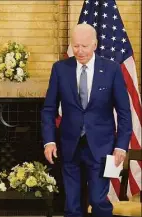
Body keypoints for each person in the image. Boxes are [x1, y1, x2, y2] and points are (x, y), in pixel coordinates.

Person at [41, 24, 132, 217]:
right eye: (75, 46)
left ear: (95, 45)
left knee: (98, 201)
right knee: (72, 205)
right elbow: (49, 109)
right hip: (69, 146)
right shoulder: (60, 69)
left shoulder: (111, 69)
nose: (79, 51)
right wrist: (49, 141)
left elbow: (124, 112)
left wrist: (121, 146)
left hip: (102, 146)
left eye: (84, 46)